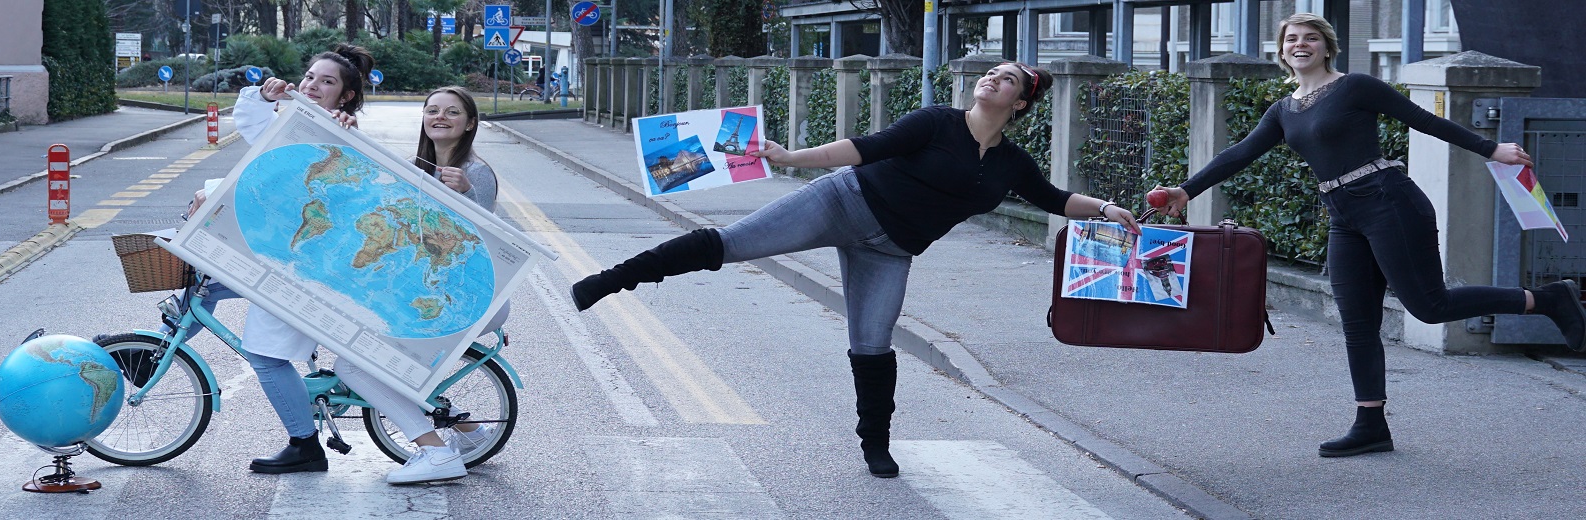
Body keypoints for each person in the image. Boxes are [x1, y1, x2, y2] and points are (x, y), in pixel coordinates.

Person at [570, 62, 1140, 478]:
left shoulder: (1013, 163)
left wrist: (1107, 209)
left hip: (890, 249)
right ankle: (605, 281)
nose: (993, 78)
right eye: (991, 72)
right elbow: (864, 147)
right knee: (730, 244)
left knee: (873, 343)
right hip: (843, 199)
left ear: (1019, 104)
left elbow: (1055, 199)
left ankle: (876, 445)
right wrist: (791, 159)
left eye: (1008, 78)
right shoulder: (937, 122)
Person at [1147, 13, 1584, 458]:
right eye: (1292, 39)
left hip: (1388, 200)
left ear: (1327, 47)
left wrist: (1491, 149)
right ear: (1281, 52)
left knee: (1430, 306)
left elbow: (1422, 119)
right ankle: (1371, 424)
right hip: (1344, 215)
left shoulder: (1355, 87)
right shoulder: (1283, 111)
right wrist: (1186, 190)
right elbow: (1238, 153)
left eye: (1311, 38)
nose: (1301, 44)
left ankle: (1547, 300)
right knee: (1357, 322)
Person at [331, 85, 505, 485]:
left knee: (355, 365)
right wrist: (349, 134)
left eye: (453, 112)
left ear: (470, 124)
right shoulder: (419, 169)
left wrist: (468, 193)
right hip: (439, 294)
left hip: (464, 299)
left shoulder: (475, 172)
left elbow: (487, 243)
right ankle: (471, 435)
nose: (440, 117)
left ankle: (435, 453)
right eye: (433, 111)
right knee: (392, 363)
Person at [215, 44, 376, 476]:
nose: (312, 86)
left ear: (344, 97)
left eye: (327, 82)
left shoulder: (337, 132)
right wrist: (264, 96)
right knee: (205, 281)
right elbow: (253, 126)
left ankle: (304, 444)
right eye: (309, 77)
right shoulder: (292, 122)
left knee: (266, 357)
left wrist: (342, 128)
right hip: (280, 253)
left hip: (303, 265)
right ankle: (149, 355)